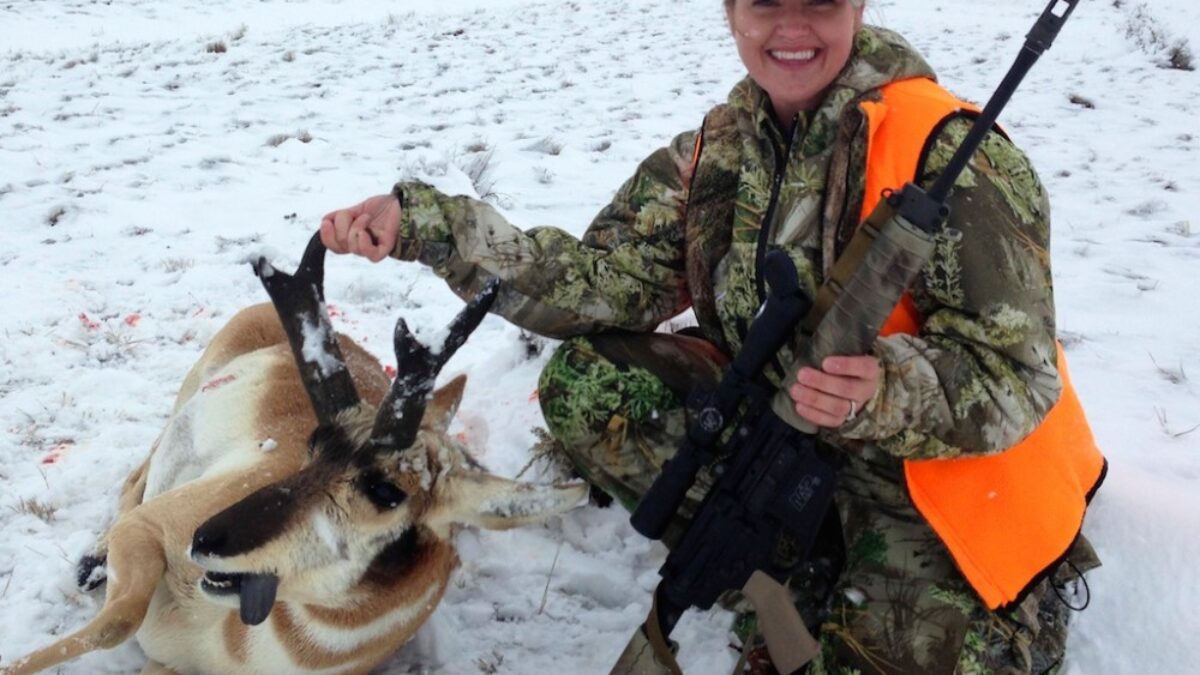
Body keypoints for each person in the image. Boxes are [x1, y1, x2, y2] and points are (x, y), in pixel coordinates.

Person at [320, 1, 1104, 672]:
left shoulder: (954, 154)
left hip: (939, 482)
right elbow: (601, 281)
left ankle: (978, 616)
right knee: (586, 380)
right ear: (730, 11)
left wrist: (887, 388)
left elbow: (1019, 374)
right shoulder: (719, 150)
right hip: (788, 442)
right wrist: (429, 227)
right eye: (765, 1)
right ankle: (787, 565)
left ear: (861, 4)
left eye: (822, 0)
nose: (792, 27)